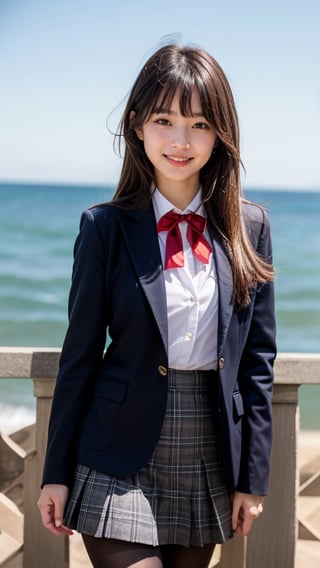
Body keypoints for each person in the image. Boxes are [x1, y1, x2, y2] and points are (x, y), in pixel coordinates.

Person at [37, 42, 276, 568]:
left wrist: (252, 479)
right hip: (115, 451)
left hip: (208, 447)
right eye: (165, 119)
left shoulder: (250, 227)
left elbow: (257, 365)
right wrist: (54, 470)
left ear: (220, 134)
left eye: (199, 124)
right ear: (138, 125)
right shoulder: (103, 227)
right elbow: (79, 355)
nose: (180, 140)